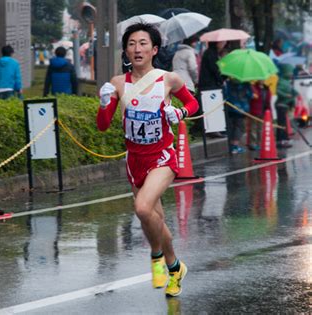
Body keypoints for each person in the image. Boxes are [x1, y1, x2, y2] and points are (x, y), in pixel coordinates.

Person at [96, 23, 199, 297]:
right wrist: (105, 102)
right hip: (135, 160)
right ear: (126, 50)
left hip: (163, 156)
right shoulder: (118, 83)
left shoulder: (168, 79)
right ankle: (175, 267)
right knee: (155, 219)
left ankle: (156, 257)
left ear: (153, 50)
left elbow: (192, 103)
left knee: (142, 208)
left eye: (142, 43)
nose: (136, 48)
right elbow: (103, 125)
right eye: (131, 43)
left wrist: (180, 114)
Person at [197, 41, 227, 137]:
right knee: (211, 108)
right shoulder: (210, 54)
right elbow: (215, 70)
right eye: (222, 42)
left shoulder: (212, 53)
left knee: (214, 108)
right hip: (209, 86)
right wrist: (222, 78)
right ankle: (214, 130)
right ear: (217, 43)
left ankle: (217, 129)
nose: (224, 43)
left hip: (210, 85)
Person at [223, 78, 253, 154]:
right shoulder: (246, 83)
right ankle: (235, 146)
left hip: (230, 108)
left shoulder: (228, 83)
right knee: (240, 127)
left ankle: (231, 146)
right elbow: (250, 95)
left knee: (232, 127)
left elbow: (225, 94)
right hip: (241, 108)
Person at [276, 63, 297, 148]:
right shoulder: (281, 81)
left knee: (284, 123)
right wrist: (286, 95)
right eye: (290, 72)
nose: (291, 74)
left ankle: (283, 138)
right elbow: (278, 91)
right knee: (282, 124)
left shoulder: (287, 82)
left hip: (286, 105)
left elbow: (292, 92)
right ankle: (281, 140)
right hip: (281, 105)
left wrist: (294, 95)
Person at [248, 81, 271, 150]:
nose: (262, 80)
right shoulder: (253, 87)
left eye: (263, 79)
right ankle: (253, 144)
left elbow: (268, 101)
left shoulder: (266, 88)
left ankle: (260, 144)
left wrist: (269, 111)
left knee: (260, 129)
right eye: (260, 79)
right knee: (253, 128)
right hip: (254, 111)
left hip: (263, 111)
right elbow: (251, 98)